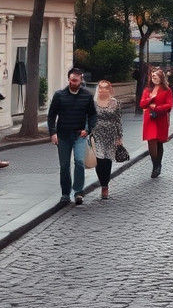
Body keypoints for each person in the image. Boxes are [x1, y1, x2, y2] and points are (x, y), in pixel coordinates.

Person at [47, 67, 97, 205]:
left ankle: (78, 191)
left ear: (81, 80)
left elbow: (93, 115)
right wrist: (53, 133)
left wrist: (88, 130)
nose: (73, 82)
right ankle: (65, 193)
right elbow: (51, 116)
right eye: (71, 80)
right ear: (68, 79)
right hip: (63, 135)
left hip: (79, 135)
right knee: (64, 165)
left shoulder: (87, 96)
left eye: (76, 80)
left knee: (79, 162)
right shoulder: (59, 95)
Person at [91, 79, 124, 200]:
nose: (103, 89)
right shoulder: (93, 103)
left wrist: (119, 137)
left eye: (105, 87)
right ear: (98, 89)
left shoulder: (115, 103)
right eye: (101, 87)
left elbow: (118, 121)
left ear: (109, 89)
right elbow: (89, 118)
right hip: (97, 134)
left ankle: (105, 186)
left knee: (107, 160)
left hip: (111, 135)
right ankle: (102, 181)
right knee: (99, 160)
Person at [139, 67, 173, 177]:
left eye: (156, 77)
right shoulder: (147, 90)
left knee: (159, 142)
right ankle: (155, 165)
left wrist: (157, 107)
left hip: (160, 118)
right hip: (149, 119)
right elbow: (142, 104)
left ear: (161, 78)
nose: (154, 78)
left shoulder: (167, 90)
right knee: (151, 141)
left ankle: (158, 164)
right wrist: (150, 99)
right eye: (153, 77)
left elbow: (169, 105)